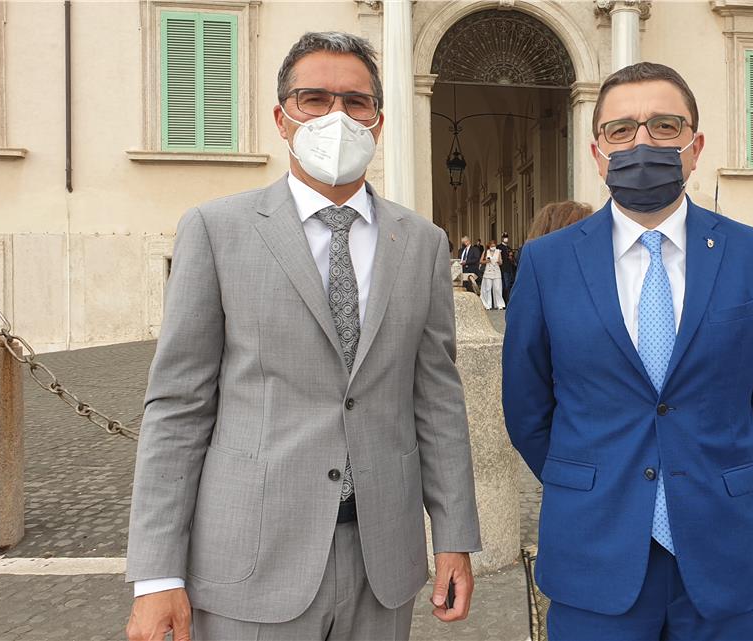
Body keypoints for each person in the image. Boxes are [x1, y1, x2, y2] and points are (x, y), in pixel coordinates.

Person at [126, 32, 481, 641]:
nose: (336, 116)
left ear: (377, 121)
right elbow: (178, 407)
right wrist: (157, 574)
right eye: (314, 99)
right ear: (281, 118)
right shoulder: (216, 230)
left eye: (356, 102)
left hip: (382, 561)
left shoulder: (421, 242)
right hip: (251, 560)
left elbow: (437, 400)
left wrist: (453, 536)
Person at [502, 61, 753, 640]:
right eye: (621, 130)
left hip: (723, 550)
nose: (642, 142)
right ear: (598, 154)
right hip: (594, 551)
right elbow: (526, 408)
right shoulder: (547, 263)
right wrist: (591, 480)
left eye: (665, 126)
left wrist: (714, 477)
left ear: (695, 147)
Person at [480, 242, 506, 310]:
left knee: (497, 288)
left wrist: (499, 261)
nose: (493, 247)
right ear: (489, 246)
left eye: (494, 246)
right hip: (488, 272)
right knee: (488, 288)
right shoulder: (486, 251)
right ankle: (488, 304)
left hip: (496, 271)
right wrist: (486, 261)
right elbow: (481, 261)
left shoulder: (498, 252)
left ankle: (499, 304)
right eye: (492, 246)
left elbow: (501, 262)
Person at [496, 234, 516, 303]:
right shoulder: (499, 247)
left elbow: (512, 258)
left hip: (510, 268)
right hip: (503, 268)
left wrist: (511, 257)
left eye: (507, 237)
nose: (506, 239)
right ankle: (505, 300)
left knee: (510, 285)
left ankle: (509, 299)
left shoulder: (509, 247)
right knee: (505, 285)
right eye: (504, 237)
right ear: (502, 238)